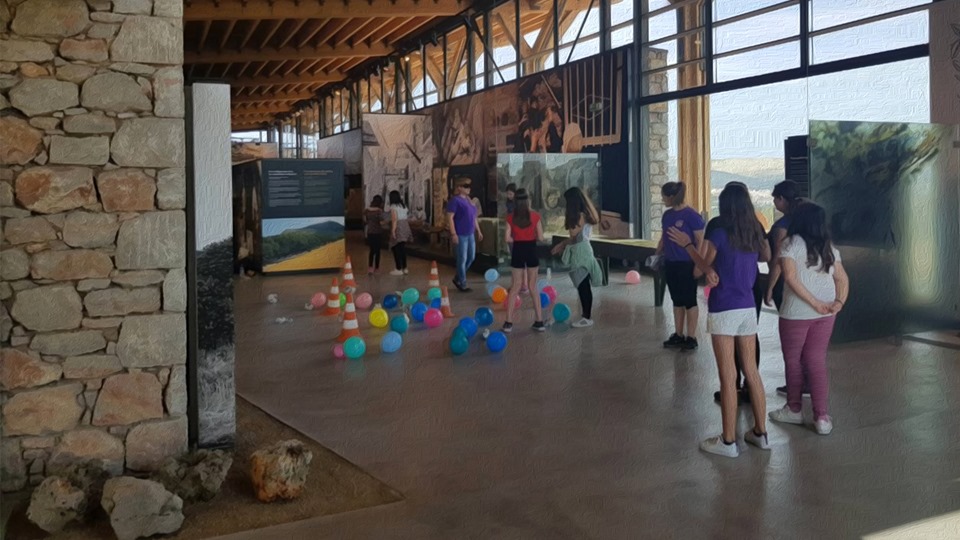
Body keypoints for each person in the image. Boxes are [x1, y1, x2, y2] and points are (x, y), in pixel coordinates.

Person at [667, 182, 771, 458]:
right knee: (752, 372)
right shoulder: (753, 229)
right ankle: (761, 433)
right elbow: (767, 255)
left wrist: (688, 246)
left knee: (727, 376)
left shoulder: (719, 230)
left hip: (724, 306)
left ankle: (728, 441)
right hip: (748, 305)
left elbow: (703, 266)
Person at [769, 202, 848, 435]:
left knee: (793, 360)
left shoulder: (790, 244)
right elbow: (842, 279)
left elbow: (791, 279)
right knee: (816, 360)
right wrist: (837, 304)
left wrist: (814, 303)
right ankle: (822, 417)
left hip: (796, 313)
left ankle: (794, 409)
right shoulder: (829, 247)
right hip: (826, 314)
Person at [763, 180, 808, 397]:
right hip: (807, 280)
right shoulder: (807, 221)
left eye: (775, 198)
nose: (774, 202)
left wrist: (770, 287)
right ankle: (806, 379)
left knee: (792, 334)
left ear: (782, 199)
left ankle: (796, 382)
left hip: (787, 283)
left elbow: (779, 260)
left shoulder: (782, 226)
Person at [657, 182, 705, 351]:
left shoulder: (692, 215)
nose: (662, 199)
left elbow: (700, 241)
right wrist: (658, 252)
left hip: (687, 263)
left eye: (663, 196)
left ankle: (691, 337)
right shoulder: (667, 215)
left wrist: (699, 265)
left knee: (689, 300)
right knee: (676, 300)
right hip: (671, 262)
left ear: (671, 197)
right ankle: (678, 334)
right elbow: (664, 236)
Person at [551, 187, 601, 328]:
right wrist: (561, 245)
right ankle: (585, 315)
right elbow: (574, 238)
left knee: (583, 285)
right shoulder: (587, 214)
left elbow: (573, 236)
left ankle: (587, 317)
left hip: (581, 253)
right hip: (585, 249)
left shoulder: (578, 216)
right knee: (583, 284)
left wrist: (561, 244)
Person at [503, 189, 546, 333]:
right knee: (533, 287)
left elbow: (507, 238)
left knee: (515, 287)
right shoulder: (535, 216)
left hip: (518, 250)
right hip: (531, 250)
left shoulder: (510, 217)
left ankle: (508, 322)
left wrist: (517, 238)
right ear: (528, 200)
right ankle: (539, 321)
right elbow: (540, 237)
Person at [447, 178, 482, 291]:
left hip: (470, 232)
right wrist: (453, 234)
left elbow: (474, 217)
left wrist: (478, 230)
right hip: (461, 233)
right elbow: (450, 217)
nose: (468, 188)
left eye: (468, 186)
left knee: (471, 257)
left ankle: (458, 277)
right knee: (462, 258)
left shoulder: (469, 200)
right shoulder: (455, 200)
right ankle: (462, 282)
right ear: (459, 188)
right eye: (465, 186)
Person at [387, 190, 413, 276]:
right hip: (405, 225)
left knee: (395, 248)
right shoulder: (403, 206)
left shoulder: (393, 207)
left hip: (399, 226)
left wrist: (393, 231)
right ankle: (405, 268)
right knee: (402, 248)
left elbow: (394, 220)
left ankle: (398, 268)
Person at [363, 195, 385, 274]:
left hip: (370, 232)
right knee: (378, 251)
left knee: (371, 250)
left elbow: (365, 220)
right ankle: (377, 268)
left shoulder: (367, 210)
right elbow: (381, 222)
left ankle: (370, 267)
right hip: (378, 232)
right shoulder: (379, 211)